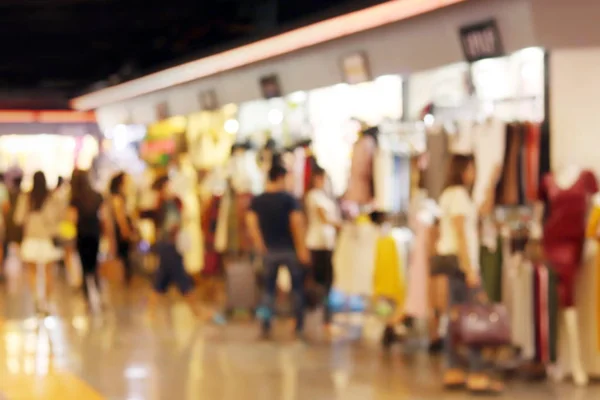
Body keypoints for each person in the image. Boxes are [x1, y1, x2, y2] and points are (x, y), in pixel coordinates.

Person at [435, 154, 502, 394]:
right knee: (473, 318)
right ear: (463, 169)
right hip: (462, 267)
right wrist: (470, 269)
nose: (473, 173)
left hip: (457, 266)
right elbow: (461, 233)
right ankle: (475, 372)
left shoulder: (454, 196)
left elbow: (481, 212)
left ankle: (454, 369)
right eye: (471, 168)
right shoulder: (457, 196)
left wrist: (492, 182)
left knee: (456, 318)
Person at [147, 175, 224, 323]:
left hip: (168, 246)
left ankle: (151, 313)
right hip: (170, 246)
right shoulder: (165, 204)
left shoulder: (169, 202)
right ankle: (197, 311)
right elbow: (172, 224)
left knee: (161, 280)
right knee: (181, 279)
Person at [246, 164, 310, 339]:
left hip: (270, 250)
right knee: (296, 288)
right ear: (281, 178)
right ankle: (298, 324)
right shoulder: (289, 199)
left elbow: (251, 224)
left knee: (268, 289)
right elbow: (296, 224)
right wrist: (302, 248)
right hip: (289, 249)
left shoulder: (258, 200)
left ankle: (266, 323)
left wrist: (260, 245)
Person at [14, 171, 62, 313]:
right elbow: (57, 217)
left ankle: (36, 298)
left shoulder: (27, 197)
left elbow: (18, 218)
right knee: (48, 273)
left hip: (31, 238)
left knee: (32, 272)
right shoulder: (51, 197)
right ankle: (46, 301)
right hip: (47, 239)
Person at [305, 166, 339, 335]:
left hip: (327, 243)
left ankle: (326, 316)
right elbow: (323, 218)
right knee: (321, 281)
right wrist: (342, 225)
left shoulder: (325, 197)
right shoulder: (314, 196)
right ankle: (317, 313)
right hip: (317, 243)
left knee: (327, 282)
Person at [68, 169, 107, 308]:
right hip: (95, 234)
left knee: (85, 268)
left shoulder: (75, 198)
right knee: (95, 266)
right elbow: (103, 216)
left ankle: (88, 300)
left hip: (82, 235)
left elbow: (72, 218)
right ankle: (100, 296)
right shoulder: (96, 195)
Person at [109, 172, 134, 285]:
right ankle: (124, 277)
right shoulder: (117, 196)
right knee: (124, 254)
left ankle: (125, 277)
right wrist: (124, 228)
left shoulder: (121, 195)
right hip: (121, 227)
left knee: (125, 254)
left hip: (122, 226)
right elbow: (119, 214)